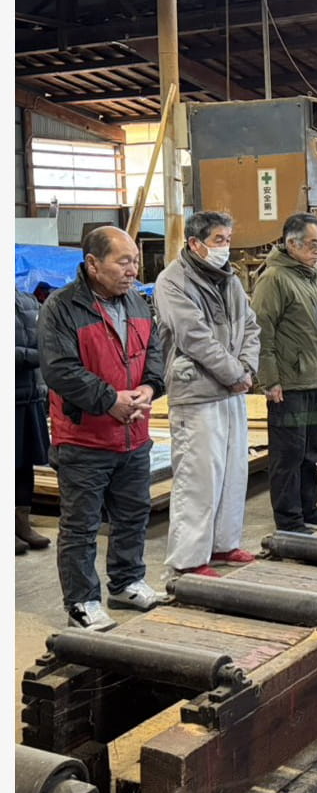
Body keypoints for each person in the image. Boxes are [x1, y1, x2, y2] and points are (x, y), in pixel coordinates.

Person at [38, 226, 169, 631]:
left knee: (133, 514)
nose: (134, 270)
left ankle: (127, 581)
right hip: (84, 439)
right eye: (124, 261)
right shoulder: (61, 308)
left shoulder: (138, 303)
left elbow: (155, 355)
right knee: (82, 525)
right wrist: (110, 400)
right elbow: (59, 370)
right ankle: (82, 601)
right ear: (93, 264)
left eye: (135, 261)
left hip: (133, 433)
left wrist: (149, 387)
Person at [154, 211, 261, 578]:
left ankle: (223, 544)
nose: (224, 247)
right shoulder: (172, 282)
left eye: (228, 239)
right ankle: (188, 558)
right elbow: (193, 337)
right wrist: (234, 373)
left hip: (232, 390)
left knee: (233, 470)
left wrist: (247, 369)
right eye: (218, 240)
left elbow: (250, 324)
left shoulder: (229, 280)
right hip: (197, 391)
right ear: (195, 243)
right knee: (199, 476)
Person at [251, 213, 317, 532]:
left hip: (314, 379)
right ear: (292, 244)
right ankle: (289, 519)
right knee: (289, 452)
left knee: (310, 450)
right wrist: (269, 380)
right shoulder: (274, 279)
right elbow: (262, 330)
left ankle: (308, 508)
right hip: (289, 385)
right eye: (314, 245)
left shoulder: (315, 276)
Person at [16, 288, 52, 555]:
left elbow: (44, 339)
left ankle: (22, 523)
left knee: (24, 464)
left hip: (31, 396)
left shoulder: (26, 299)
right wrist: (38, 357)